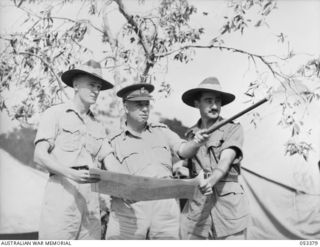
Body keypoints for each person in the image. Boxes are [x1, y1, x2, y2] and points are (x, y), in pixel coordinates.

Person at [104, 83, 209, 240]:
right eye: (139, 104)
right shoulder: (113, 140)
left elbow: (183, 150)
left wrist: (196, 143)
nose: (145, 109)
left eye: (146, 104)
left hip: (164, 205)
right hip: (129, 208)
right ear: (126, 107)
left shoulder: (162, 130)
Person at [33, 60, 116, 240]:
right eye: (91, 85)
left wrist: (136, 183)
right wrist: (71, 173)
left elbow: (111, 163)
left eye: (99, 86)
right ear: (76, 85)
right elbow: (39, 156)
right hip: (62, 191)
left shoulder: (98, 126)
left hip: (91, 198)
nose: (96, 90)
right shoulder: (55, 114)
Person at [180, 77, 249, 240]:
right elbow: (185, 161)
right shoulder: (191, 134)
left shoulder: (233, 128)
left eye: (218, 101)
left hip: (228, 209)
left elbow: (225, 161)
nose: (214, 106)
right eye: (208, 100)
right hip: (198, 209)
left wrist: (210, 181)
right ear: (197, 103)